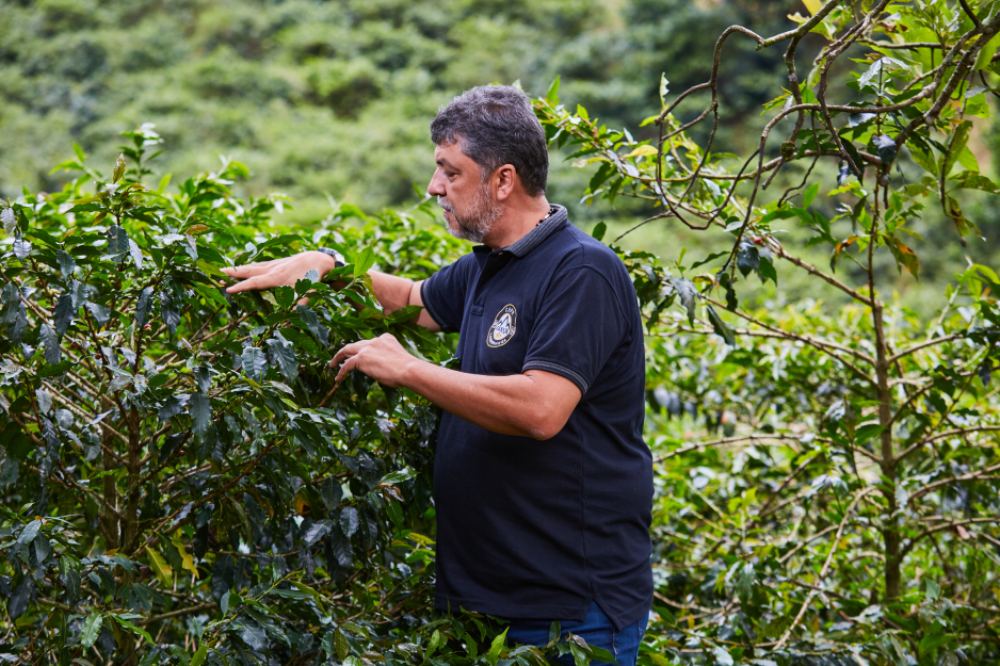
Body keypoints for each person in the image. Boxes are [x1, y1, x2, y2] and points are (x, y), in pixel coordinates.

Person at [222, 85, 652, 665]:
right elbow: (412, 301)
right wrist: (324, 267)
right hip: (484, 596)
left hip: (570, 608)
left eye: (450, 172)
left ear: (502, 180)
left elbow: (540, 409)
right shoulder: (490, 265)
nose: (434, 188)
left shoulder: (582, 271)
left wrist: (408, 370)